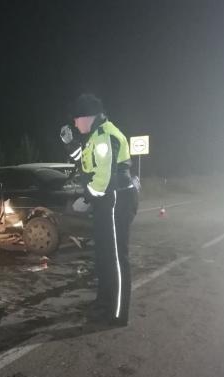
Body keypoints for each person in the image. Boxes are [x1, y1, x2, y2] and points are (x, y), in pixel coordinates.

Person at [62, 93, 138, 326]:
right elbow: (84, 162)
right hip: (108, 202)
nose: (75, 124)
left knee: (114, 259)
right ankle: (104, 303)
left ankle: (115, 314)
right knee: (104, 257)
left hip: (115, 200)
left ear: (88, 116)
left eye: (76, 119)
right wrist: (69, 143)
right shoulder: (95, 136)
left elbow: (104, 178)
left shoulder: (104, 136)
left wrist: (86, 198)